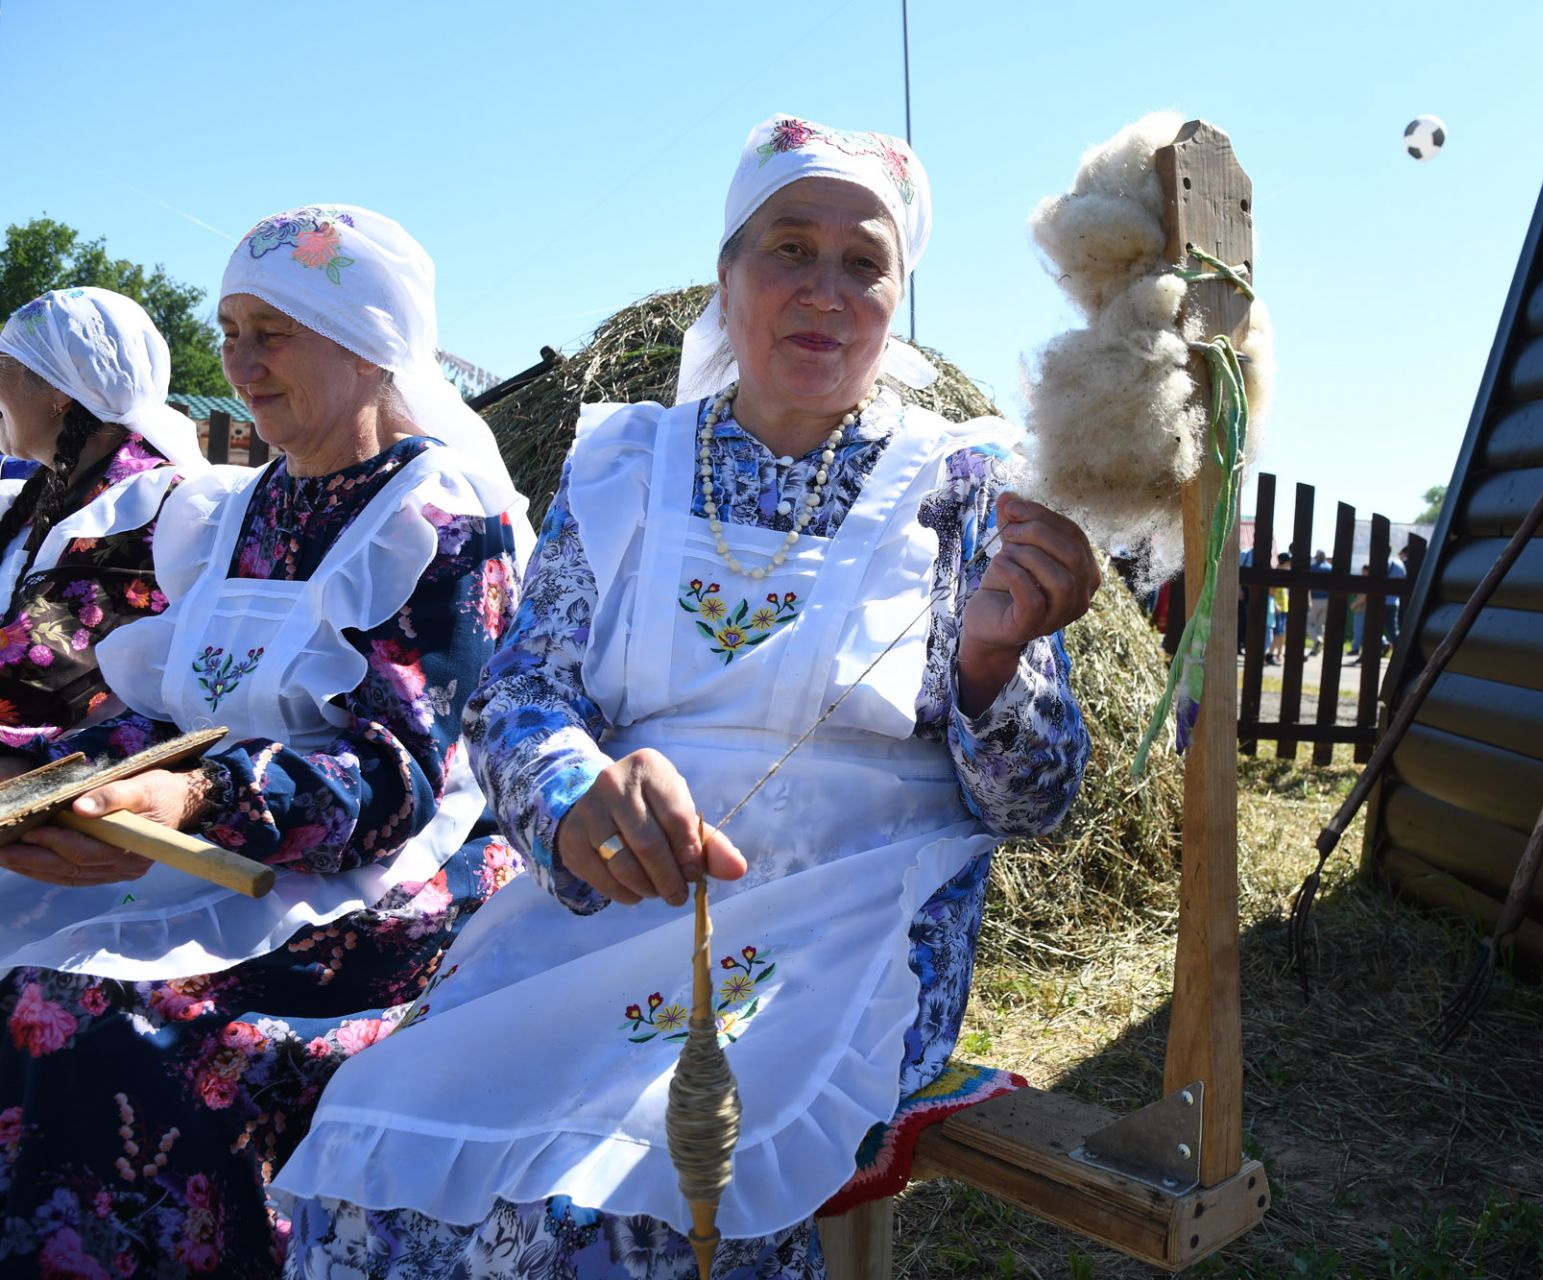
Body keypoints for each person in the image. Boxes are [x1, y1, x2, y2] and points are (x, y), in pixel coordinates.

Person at [276, 114, 1099, 1280]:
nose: (825, 288)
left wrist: (988, 667)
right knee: (382, 1147)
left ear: (897, 299)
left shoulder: (965, 481)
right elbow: (519, 698)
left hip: (850, 911)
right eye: (788, 248)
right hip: (626, 895)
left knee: (640, 1206)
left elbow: (1037, 804)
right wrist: (576, 794)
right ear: (725, 275)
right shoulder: (625, 466)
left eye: (865, 263)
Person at [0, 206, 528, 1278]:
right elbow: (177, 703)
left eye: (271, 331)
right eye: (229, 327)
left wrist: (195, 802)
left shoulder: (440, 521)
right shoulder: (236, 512)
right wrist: (59, 771)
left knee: (101, 1021)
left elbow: (396, 772)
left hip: (382, 867)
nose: (238, 361)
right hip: (204, 835)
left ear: (368, 340)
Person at [0, 288, 210, 744]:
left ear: (58, 389)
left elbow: (38, 673)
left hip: (84, 781)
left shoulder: (146, 506)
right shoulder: (41, 494)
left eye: (2, 367)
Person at [1306, 548, 1332, 655]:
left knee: (1307, 623)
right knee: (1320, 625)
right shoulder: (1330, 568)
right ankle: (1315, 649)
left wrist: (1309, 600)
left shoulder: (1313, 568)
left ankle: (1317, 639)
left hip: (1315, 599)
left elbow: (1308, 585)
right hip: (1327, 600)